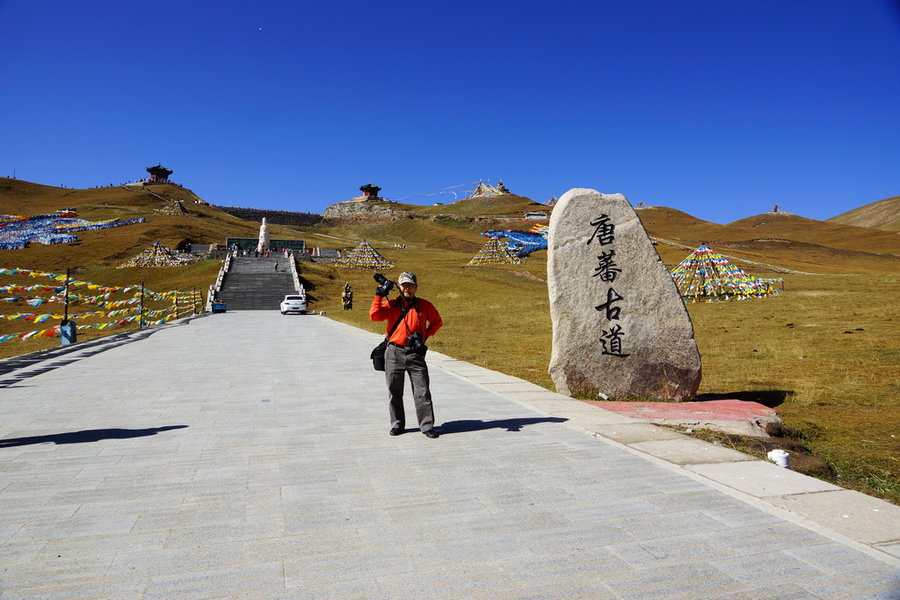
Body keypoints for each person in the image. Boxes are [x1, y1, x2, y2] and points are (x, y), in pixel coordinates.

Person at [370, 272, 442, 438]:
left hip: (415, 354)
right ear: (399, 287)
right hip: (394, 352)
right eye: (404, 285)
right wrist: (378, 297)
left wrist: (424, 337)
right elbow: (375, 316)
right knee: (394, 390)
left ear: (416, 287)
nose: (407, 288)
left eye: (410, 285)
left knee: (422, 391)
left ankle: (427, 426)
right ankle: (397, 424)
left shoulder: (425, 306)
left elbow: (437, 322)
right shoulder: (393, 304)